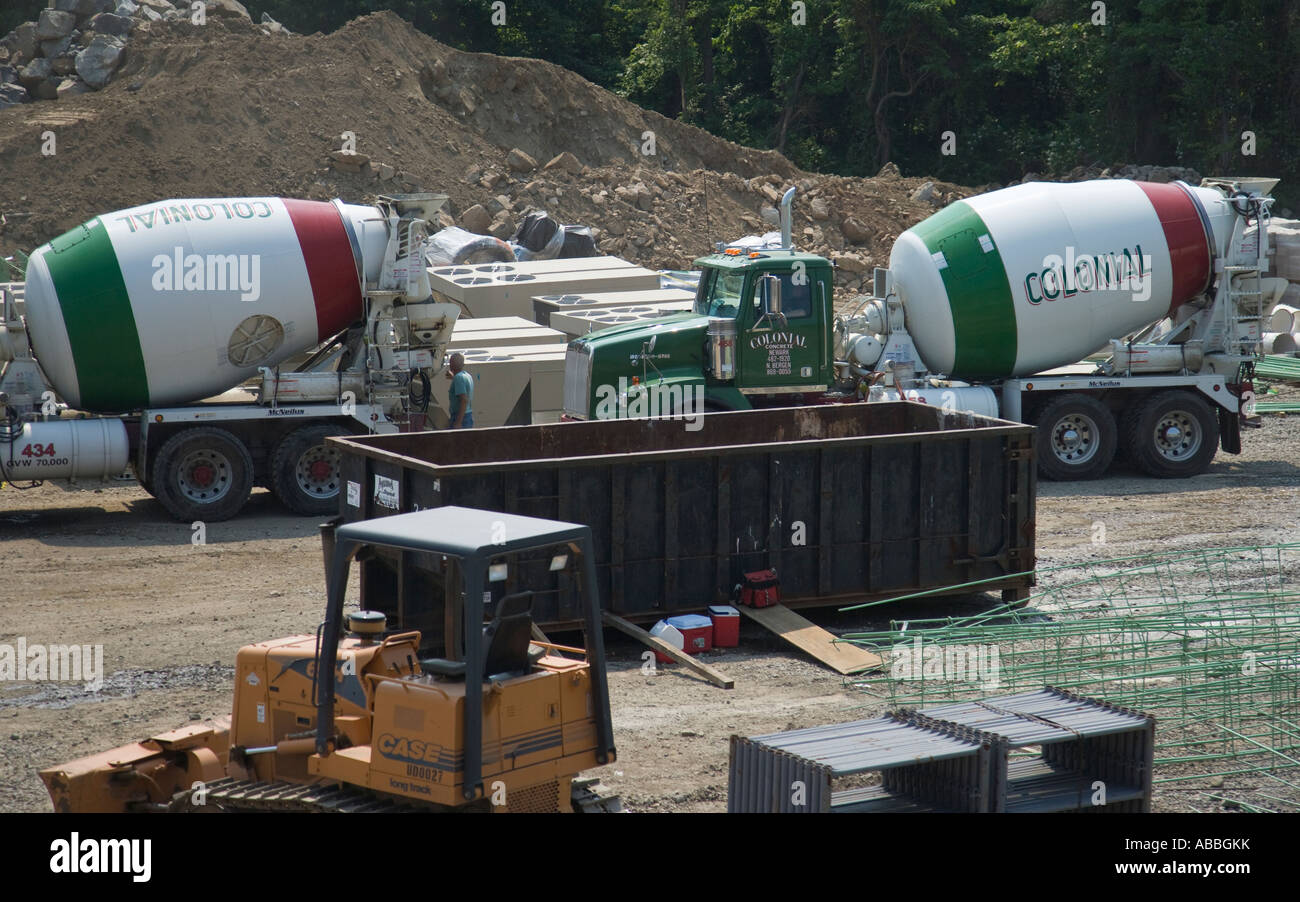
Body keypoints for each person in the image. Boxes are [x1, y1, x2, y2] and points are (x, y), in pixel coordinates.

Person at [446, 352, 474, 428]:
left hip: (460, 417)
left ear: (451, 364)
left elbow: (463, 400)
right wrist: (453, 377)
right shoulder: (467, 376)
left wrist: (458, 422)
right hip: (468, 415)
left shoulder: (458, 378)